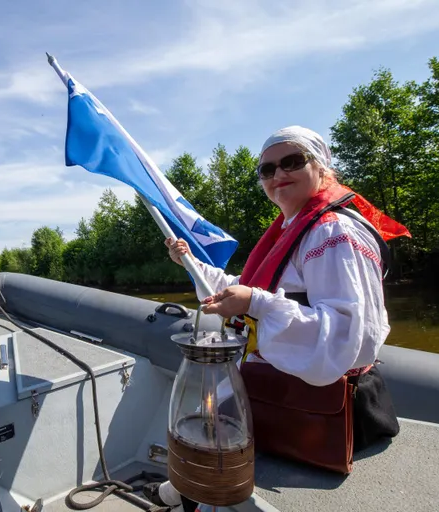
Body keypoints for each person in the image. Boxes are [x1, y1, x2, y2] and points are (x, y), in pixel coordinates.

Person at [143, 126, 409, 511]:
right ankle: (185, 492)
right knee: (207, 418)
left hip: (316, 394)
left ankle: (182, 495)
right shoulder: (295, 228)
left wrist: (257, 303)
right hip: (275, 380)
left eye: (291, 162)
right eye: (266, 170)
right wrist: (190, 261)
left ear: (321, 168)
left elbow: (351, 338)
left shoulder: (334, 233)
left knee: (210, 420)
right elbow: (245, 285)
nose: (276, 175)